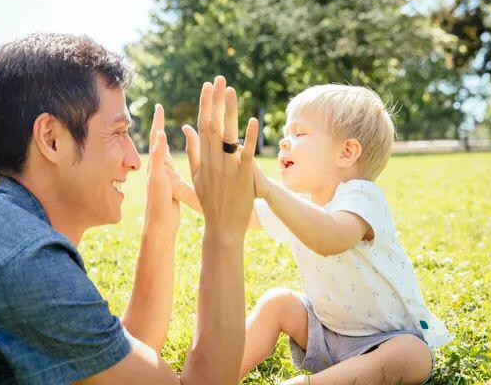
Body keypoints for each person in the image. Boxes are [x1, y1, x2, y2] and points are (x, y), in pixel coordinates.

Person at [0, 33, 259, 384]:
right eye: (117, 133)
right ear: (51, 139)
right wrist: (224, 228)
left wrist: (160, 226)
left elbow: (114, 368)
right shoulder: (27, 265)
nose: (134, 160)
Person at [170, 84, 452, 385]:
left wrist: (267, 189)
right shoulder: (301, 203)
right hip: (325, 332)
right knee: (278, 302)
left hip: (383, 341)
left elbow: (330, 237)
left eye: (299, 134)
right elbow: (236, 214)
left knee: (412, 354)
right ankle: (218, 376)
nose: (283, 142)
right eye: (286, 133)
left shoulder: (363, 196)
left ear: (346, 152)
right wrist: (185, 191)